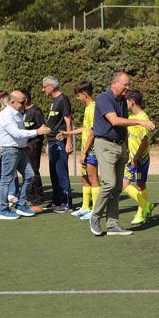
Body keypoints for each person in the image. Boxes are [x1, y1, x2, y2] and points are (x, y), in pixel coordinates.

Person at [88, 72, 154, 237]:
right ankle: (95, 217)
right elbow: (115, 121)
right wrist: (140, 121)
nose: (128, 88)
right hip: (105, 145)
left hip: (119, 147)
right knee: (109, 184)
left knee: (117, 187)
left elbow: (122, 126)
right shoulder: (104, 98)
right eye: (125, 84)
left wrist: (125, 149)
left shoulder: (122, 102)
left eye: (128, 84)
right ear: (114, 83)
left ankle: (112, 224)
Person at [0, 91, 52, 220]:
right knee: (6, 180)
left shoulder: (18, 113)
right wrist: (38, 131)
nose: (24, 104)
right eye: (22, 102)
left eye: (25, 101)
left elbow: (20, 133)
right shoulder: (6, 115)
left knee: (30, 175)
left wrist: (25, 143)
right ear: (12, 102)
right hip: (10, 150)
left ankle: (21, 204)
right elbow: (16, 133)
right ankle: (3, 209)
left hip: (20, 149)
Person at [58, 81, 100, 220]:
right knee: (84, 178)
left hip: (91, 150)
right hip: (85, 149)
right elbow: (85, 129)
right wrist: (67, 134)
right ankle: (85, 207)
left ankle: (96, 210)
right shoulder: (87, 108)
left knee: (93, 178)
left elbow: (92, 132)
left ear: (85, 94)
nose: (77, 98)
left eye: (78, 96)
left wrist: (84, 152)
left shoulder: (93, 108)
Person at [41, 76, 74, 212]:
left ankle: (67, 203)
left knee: (61, 172)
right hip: (52, 141)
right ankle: (56, 200)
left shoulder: (62, 100)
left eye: (44, 87)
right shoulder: (54, 101)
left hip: (60, 140)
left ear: (52, 87)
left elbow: (68, 121)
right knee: (53, 173)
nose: (43, 90)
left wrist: (69, 141)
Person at [122, 89, 154, 225]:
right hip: (130, 159)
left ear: (132, 102)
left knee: (140, 185)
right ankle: (146, 205)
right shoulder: (130, 118)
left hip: (140, 159)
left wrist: (136, 157)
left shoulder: (143, 118)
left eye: (126, 102)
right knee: (124, 184)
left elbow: (144, 141)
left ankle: (141, 213)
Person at [22, 91, 45, 207]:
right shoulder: (22, 112)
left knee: (34, 169)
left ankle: (39, 196)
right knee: (26, 170)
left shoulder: (36, 111)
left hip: (33, 145)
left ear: (25, 99)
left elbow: (42, 128)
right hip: (24, 145)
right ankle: (29, 194)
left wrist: (35, 142)